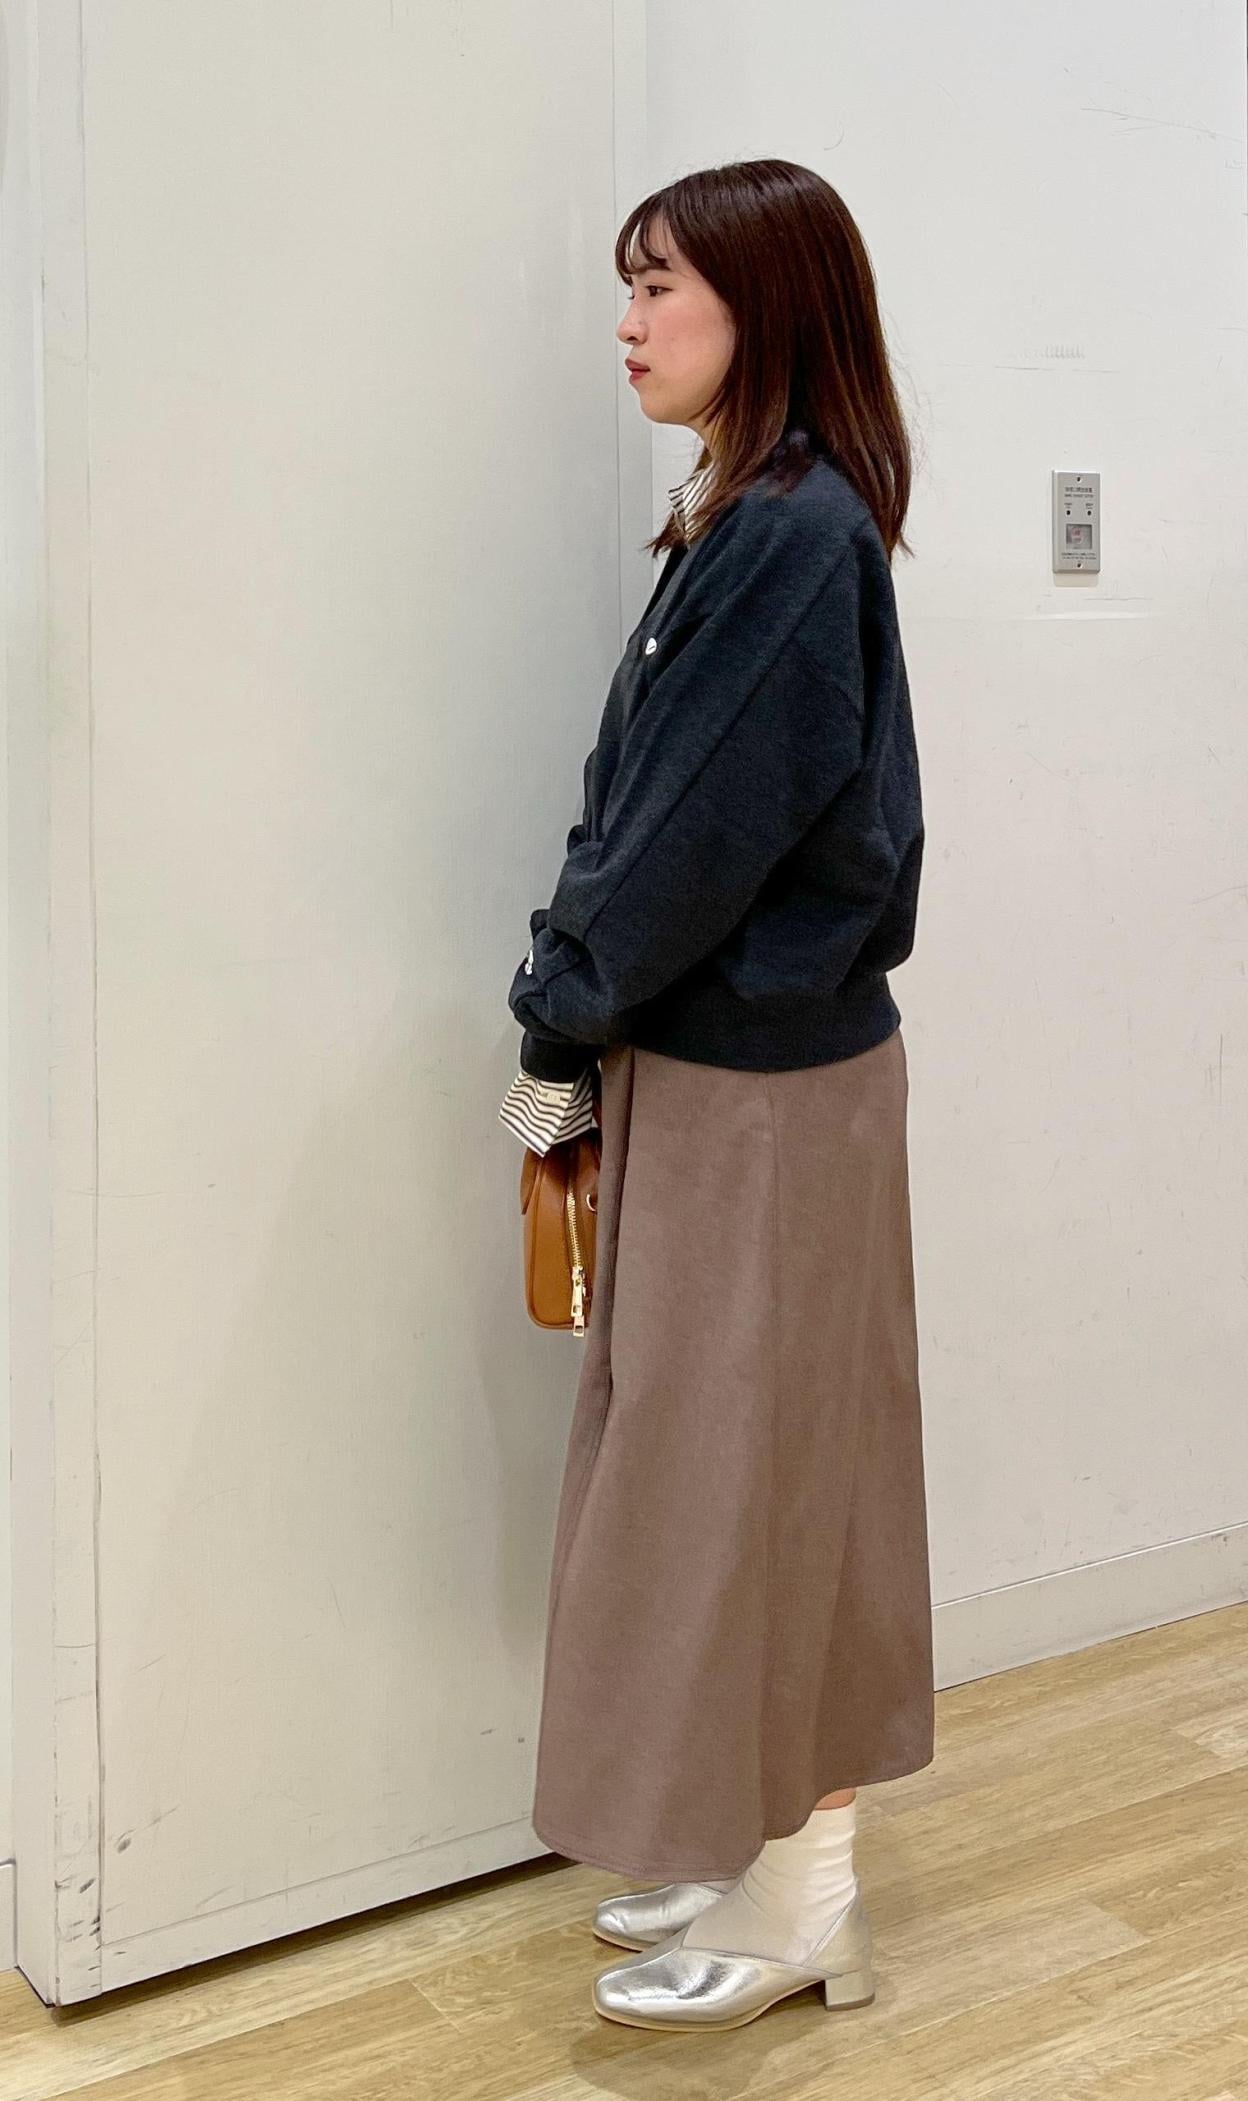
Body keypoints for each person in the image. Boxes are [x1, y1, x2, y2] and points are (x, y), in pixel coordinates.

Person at [502, 157, 934, 2033]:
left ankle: (803, 1889)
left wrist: (552, 1019)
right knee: (717, 1466)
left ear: (767, 306)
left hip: (765, 1091)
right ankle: (760, 1841)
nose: (626, 325)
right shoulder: (756, 519)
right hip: (734, 1074)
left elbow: (682, 838)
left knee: (761, 1476)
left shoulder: (786, 535)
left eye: (658, 287)